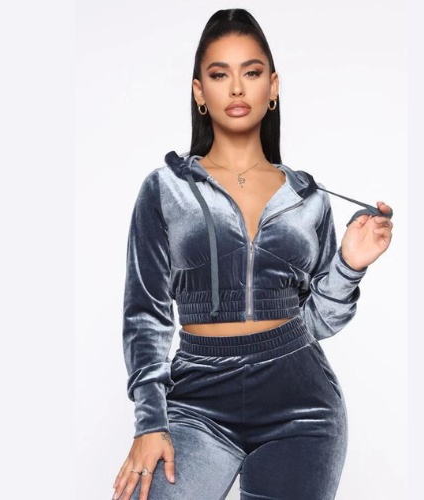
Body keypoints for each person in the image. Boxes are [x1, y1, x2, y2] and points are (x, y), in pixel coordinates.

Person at [112, 8, 393, 500]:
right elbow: (145, 314)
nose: (237, 88)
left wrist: (349, 264)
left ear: (273, 86)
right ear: (200, 92)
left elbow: (316, 322)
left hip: (302, 405)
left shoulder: (308, 199)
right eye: (220, 75)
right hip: (196, 400)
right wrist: (150, 421)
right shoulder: (166, 190)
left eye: (252, 72)